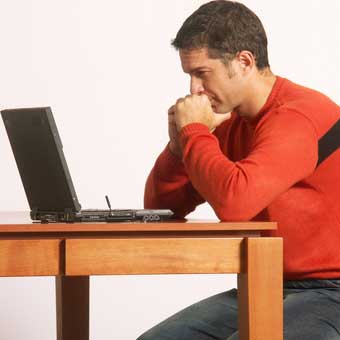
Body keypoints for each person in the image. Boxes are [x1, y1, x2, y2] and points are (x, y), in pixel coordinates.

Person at [139, 1, 340, 339]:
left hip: (330, 291)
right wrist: (178, 147)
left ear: (244, 62)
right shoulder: (230, 122)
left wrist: (195, 133)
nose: (194, 90)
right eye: (189, 76)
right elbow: (162, 206)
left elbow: (236, 203)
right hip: (264, 284)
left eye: (202, 74)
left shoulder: (296, 117)